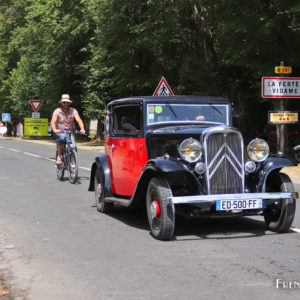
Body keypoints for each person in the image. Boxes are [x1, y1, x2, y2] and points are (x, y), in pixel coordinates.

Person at [51, 94, 85, 164]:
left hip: (70, 132)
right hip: (59, 131)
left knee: (74, 147)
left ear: (69, 103)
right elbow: (53, 121)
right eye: (64, 102)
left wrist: (82, 128)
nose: (65, 104)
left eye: (67, 102)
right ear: (61, 103)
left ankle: (72, 160)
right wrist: (54, 129)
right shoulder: (57, 111)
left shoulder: (73, 111)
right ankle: (59, 157)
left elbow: (79, 120)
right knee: (61, 140)